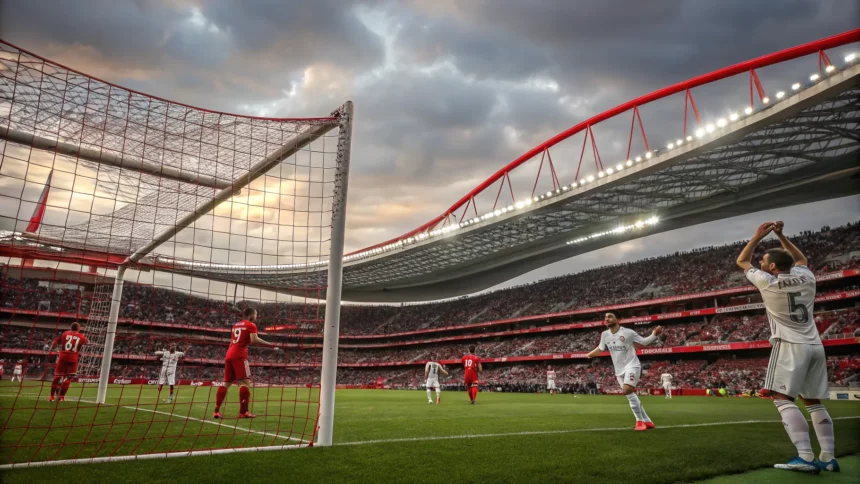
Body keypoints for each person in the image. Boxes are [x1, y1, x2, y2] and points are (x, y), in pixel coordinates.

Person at [736, 221, 836, 474]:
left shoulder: (768, 282)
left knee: (780, 397)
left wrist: (758, 236)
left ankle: (804, 455)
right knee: (812, 401)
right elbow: (800, 258)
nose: (761, 263)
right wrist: (781, 235)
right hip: (815, 344)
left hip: (789, 344)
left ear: (771, 267)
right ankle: (828, 457)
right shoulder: (807, 276)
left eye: (764, 261)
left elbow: (742, 262)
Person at [586, 312, 663, 431]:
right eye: (605, 317)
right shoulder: (605, 334)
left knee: (627, 390)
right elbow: (600, 349)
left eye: (610, 316)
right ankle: (647, 421)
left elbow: (644, 342)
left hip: (632, 365)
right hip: (619, 371)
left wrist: (654, 334)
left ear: (619, 319)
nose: (607, 319)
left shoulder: (628, 332)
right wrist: (589, 355)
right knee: (630, 395)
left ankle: (639, 421)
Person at [213, 307, 280, 419]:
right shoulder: (251, 325)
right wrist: (271, 345)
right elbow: (254, 340)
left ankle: (216, 411)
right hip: (240, 355)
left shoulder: (235, 325)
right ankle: (243, 412)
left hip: (229, 354)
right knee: (245, 383)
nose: (256, 317)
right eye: (256, 315)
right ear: (251, 315)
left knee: (226, 383)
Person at [47, 322, 88, 402]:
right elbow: (86, 343)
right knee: (69, 378)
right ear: (78, 329)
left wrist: (52, 348)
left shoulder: (65, 333)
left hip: (63, 357)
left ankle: (51, 397)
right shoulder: (82, 336)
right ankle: (61, 397)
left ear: (70, 327)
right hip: (73, 358)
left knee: (57, 377)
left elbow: (56, 341)